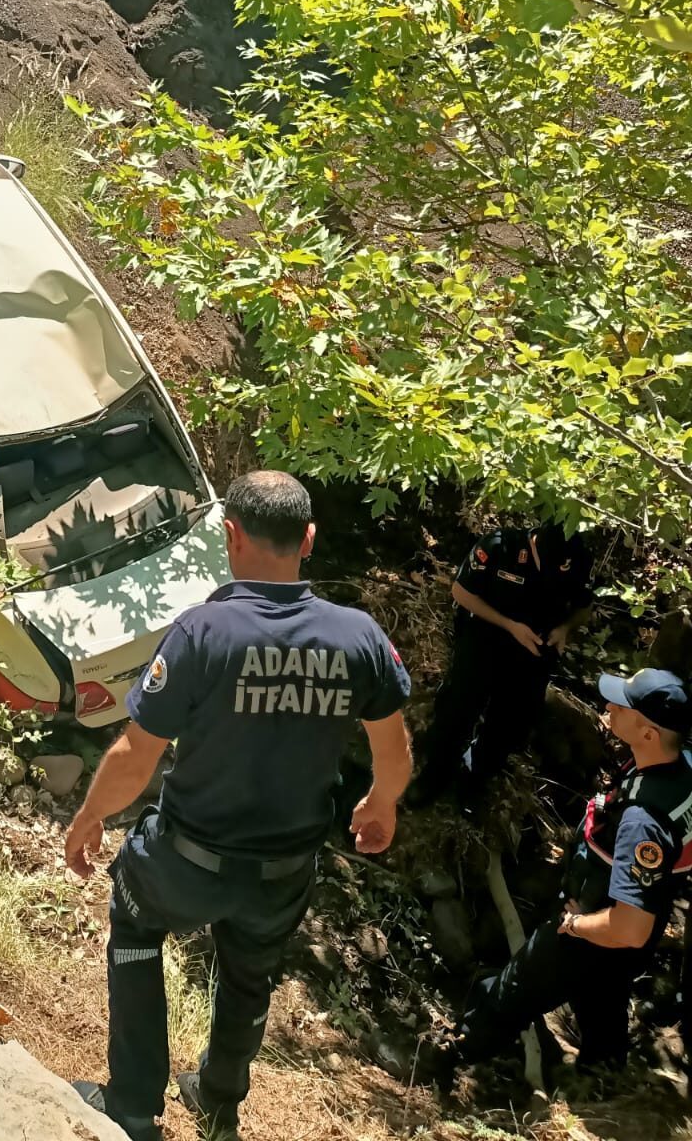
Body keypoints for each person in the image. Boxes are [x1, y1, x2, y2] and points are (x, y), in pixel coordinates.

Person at [65, 470, 413, 1141]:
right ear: (308, 540)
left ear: (231, 535)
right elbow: (392, 752)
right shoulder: (359, 637)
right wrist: (381, 804)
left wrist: (89, 819)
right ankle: (220, 1102)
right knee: (249, 970)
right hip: (285, 867)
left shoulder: (202, 632)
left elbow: (136, 755)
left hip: (187, 859)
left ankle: (134, 1105)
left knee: (135, 926)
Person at [455, 667, 692, 1069]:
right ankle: (604, 1069)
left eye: (622, 705)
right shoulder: (681, 766)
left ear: (649, 733)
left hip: (596, 925)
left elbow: (628, 929)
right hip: (644, 908)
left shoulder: (643, 820)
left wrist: (575, 925)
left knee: (516, 987)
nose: (608, 707)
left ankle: (452, 1055)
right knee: (604, 995)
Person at [407, 522, 592, 807]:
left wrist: (565, 629)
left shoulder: (576, 555)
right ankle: (435, 775)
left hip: (534, 652)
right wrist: (509, 625)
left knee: (509, 725)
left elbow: (583, 607)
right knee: (457, 710)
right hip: (484, 640)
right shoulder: (498, 546)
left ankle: (476, 778)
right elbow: (461, 592)